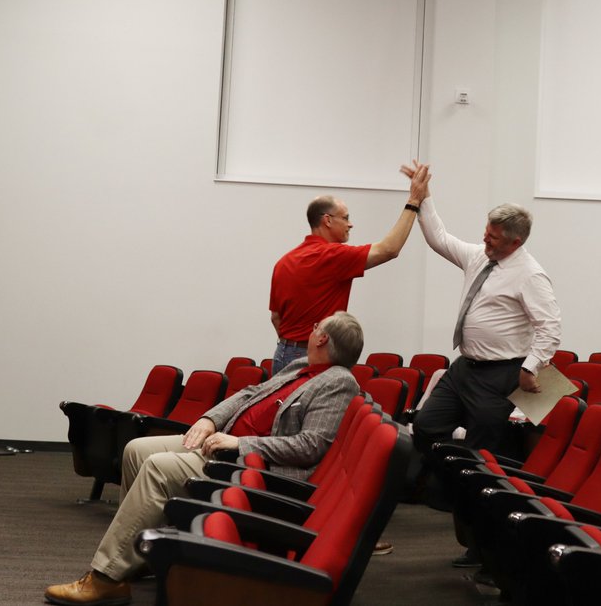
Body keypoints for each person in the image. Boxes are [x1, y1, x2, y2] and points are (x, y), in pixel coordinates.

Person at [44, 311, 365, 606]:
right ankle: (142, 556)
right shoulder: (301, 367)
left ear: (322, 338)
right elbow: (249, 393)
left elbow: (310, 446)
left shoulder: (338, 382)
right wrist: (209, 420)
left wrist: (240, 443)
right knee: (136, 450)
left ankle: (107, 576)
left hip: (251, 464)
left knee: (157, 468)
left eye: (315, 327)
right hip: (223, 441)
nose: (311, 331)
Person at [403, 160, 561, 464]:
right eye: (486, 232)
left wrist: (530, 368)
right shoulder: (479, 256)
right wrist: (423, 197)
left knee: (482, 448)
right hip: (464, 368)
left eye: (494, 237)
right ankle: (442, 488)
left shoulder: (531, 275)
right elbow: (440, 239)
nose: (485, 239)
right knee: (426, 425)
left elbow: (550, 326)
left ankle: (463, 505)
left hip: (501, 373)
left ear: (516, 242)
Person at [270, 166, 430, 374]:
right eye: (345, 218)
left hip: (282, 355)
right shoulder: (332, 256)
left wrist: (293, 345)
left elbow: (276, 317)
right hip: (312, 358)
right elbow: (389, 249)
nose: (350, 224)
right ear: (327, 220)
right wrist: (414, 201)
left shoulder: (284, 261)